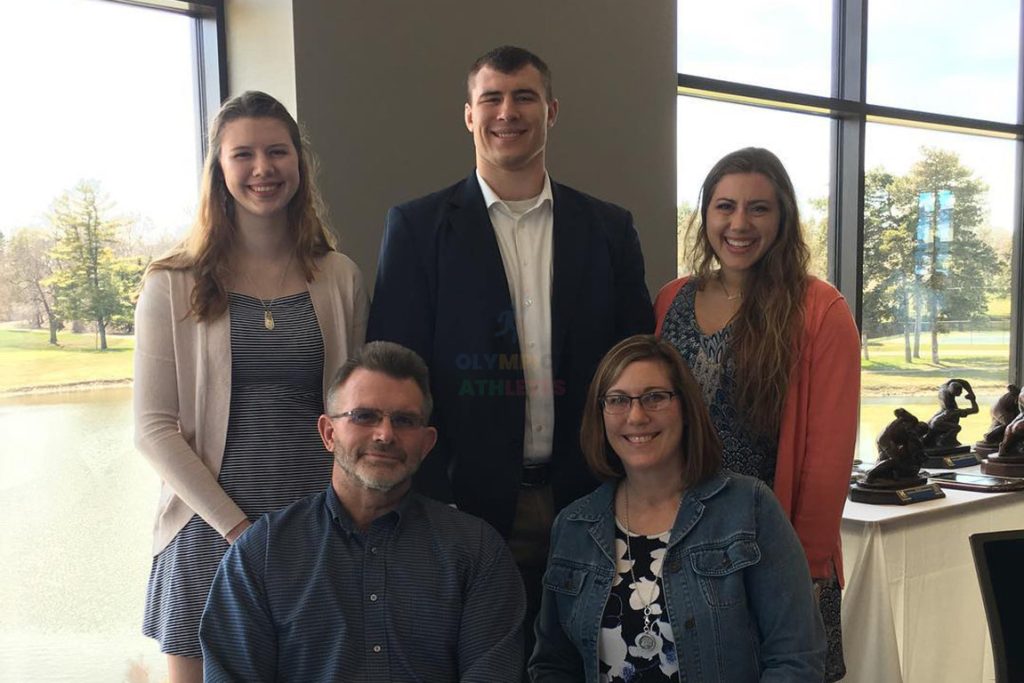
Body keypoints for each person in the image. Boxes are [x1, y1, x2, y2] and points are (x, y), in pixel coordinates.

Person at [366, 45, 654, 628]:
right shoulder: (418, 229)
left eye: (523, 96)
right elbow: (393, 373)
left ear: (550, 110)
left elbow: (638, 361)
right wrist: (429, 486)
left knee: (593, 655)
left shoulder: (608, 230)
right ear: (469, 115)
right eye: (490, 98)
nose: (507, 112)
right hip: (463, 504)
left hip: (593, 495)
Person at [134, 90, 368, 682]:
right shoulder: (172, 282)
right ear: (219, 170)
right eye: (243, 155)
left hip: (313, 535)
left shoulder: (340, 277)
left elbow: (356, 413)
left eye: (277, 152)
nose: (262, 169)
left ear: (299, 163)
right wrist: (239, 531)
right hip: (207, 534)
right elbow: (153, 430)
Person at [200, 341, 526, 681]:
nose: (385, 435)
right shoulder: (262, 553)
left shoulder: (477, 552)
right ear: (328, 433)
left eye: (404, 420)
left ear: (427, 443)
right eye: (364, 416)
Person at [653, 147, 859, 681]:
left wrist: (807, 570)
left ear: (784, 217)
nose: (739, 223)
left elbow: (827, 458)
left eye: (758, 209)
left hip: (774, 551)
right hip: (679, 544)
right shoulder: (670, 299)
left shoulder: (820, 310)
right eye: (725, 207)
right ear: (706, 215)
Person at [529, 335, 826, 682]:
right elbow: (552, 665)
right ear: (601, 415)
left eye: (655, 397)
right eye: (618, 400)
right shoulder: (574, 526)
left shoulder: (750, 509)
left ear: (685, 408)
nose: (636, 416)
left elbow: (797, 659)